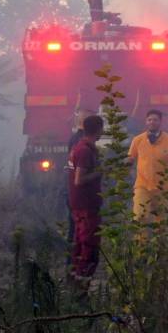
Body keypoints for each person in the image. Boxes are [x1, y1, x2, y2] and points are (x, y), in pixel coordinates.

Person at [126, 110, 168, 223]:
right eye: (149, 120)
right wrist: (125, 167)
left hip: (163, 187)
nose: (152, 122)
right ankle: (141, 241)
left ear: (160, 122)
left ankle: (160, 241)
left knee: (162, 221)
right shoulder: (138, 140)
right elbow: (131, 157)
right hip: (142, 185)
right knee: (140, 217)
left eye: (155, 120)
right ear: (146, 122)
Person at [68, 114, 104, 283]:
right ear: (98, 130)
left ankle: (76, 279)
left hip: (80, 203)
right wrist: (100, 172)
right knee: (88, 243)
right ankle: (82, 282)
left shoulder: (80, 147)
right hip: (86, 205)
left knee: (80, 242)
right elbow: (79, 180)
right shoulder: (84, 151)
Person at [65, 108, 95, 248]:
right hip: (79, 193)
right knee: (80, 228)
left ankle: (73, 262)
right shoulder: (81, 143)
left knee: (76, 227)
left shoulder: (77, 139)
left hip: (74, 191)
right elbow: (79, 175)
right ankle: (76, 263)